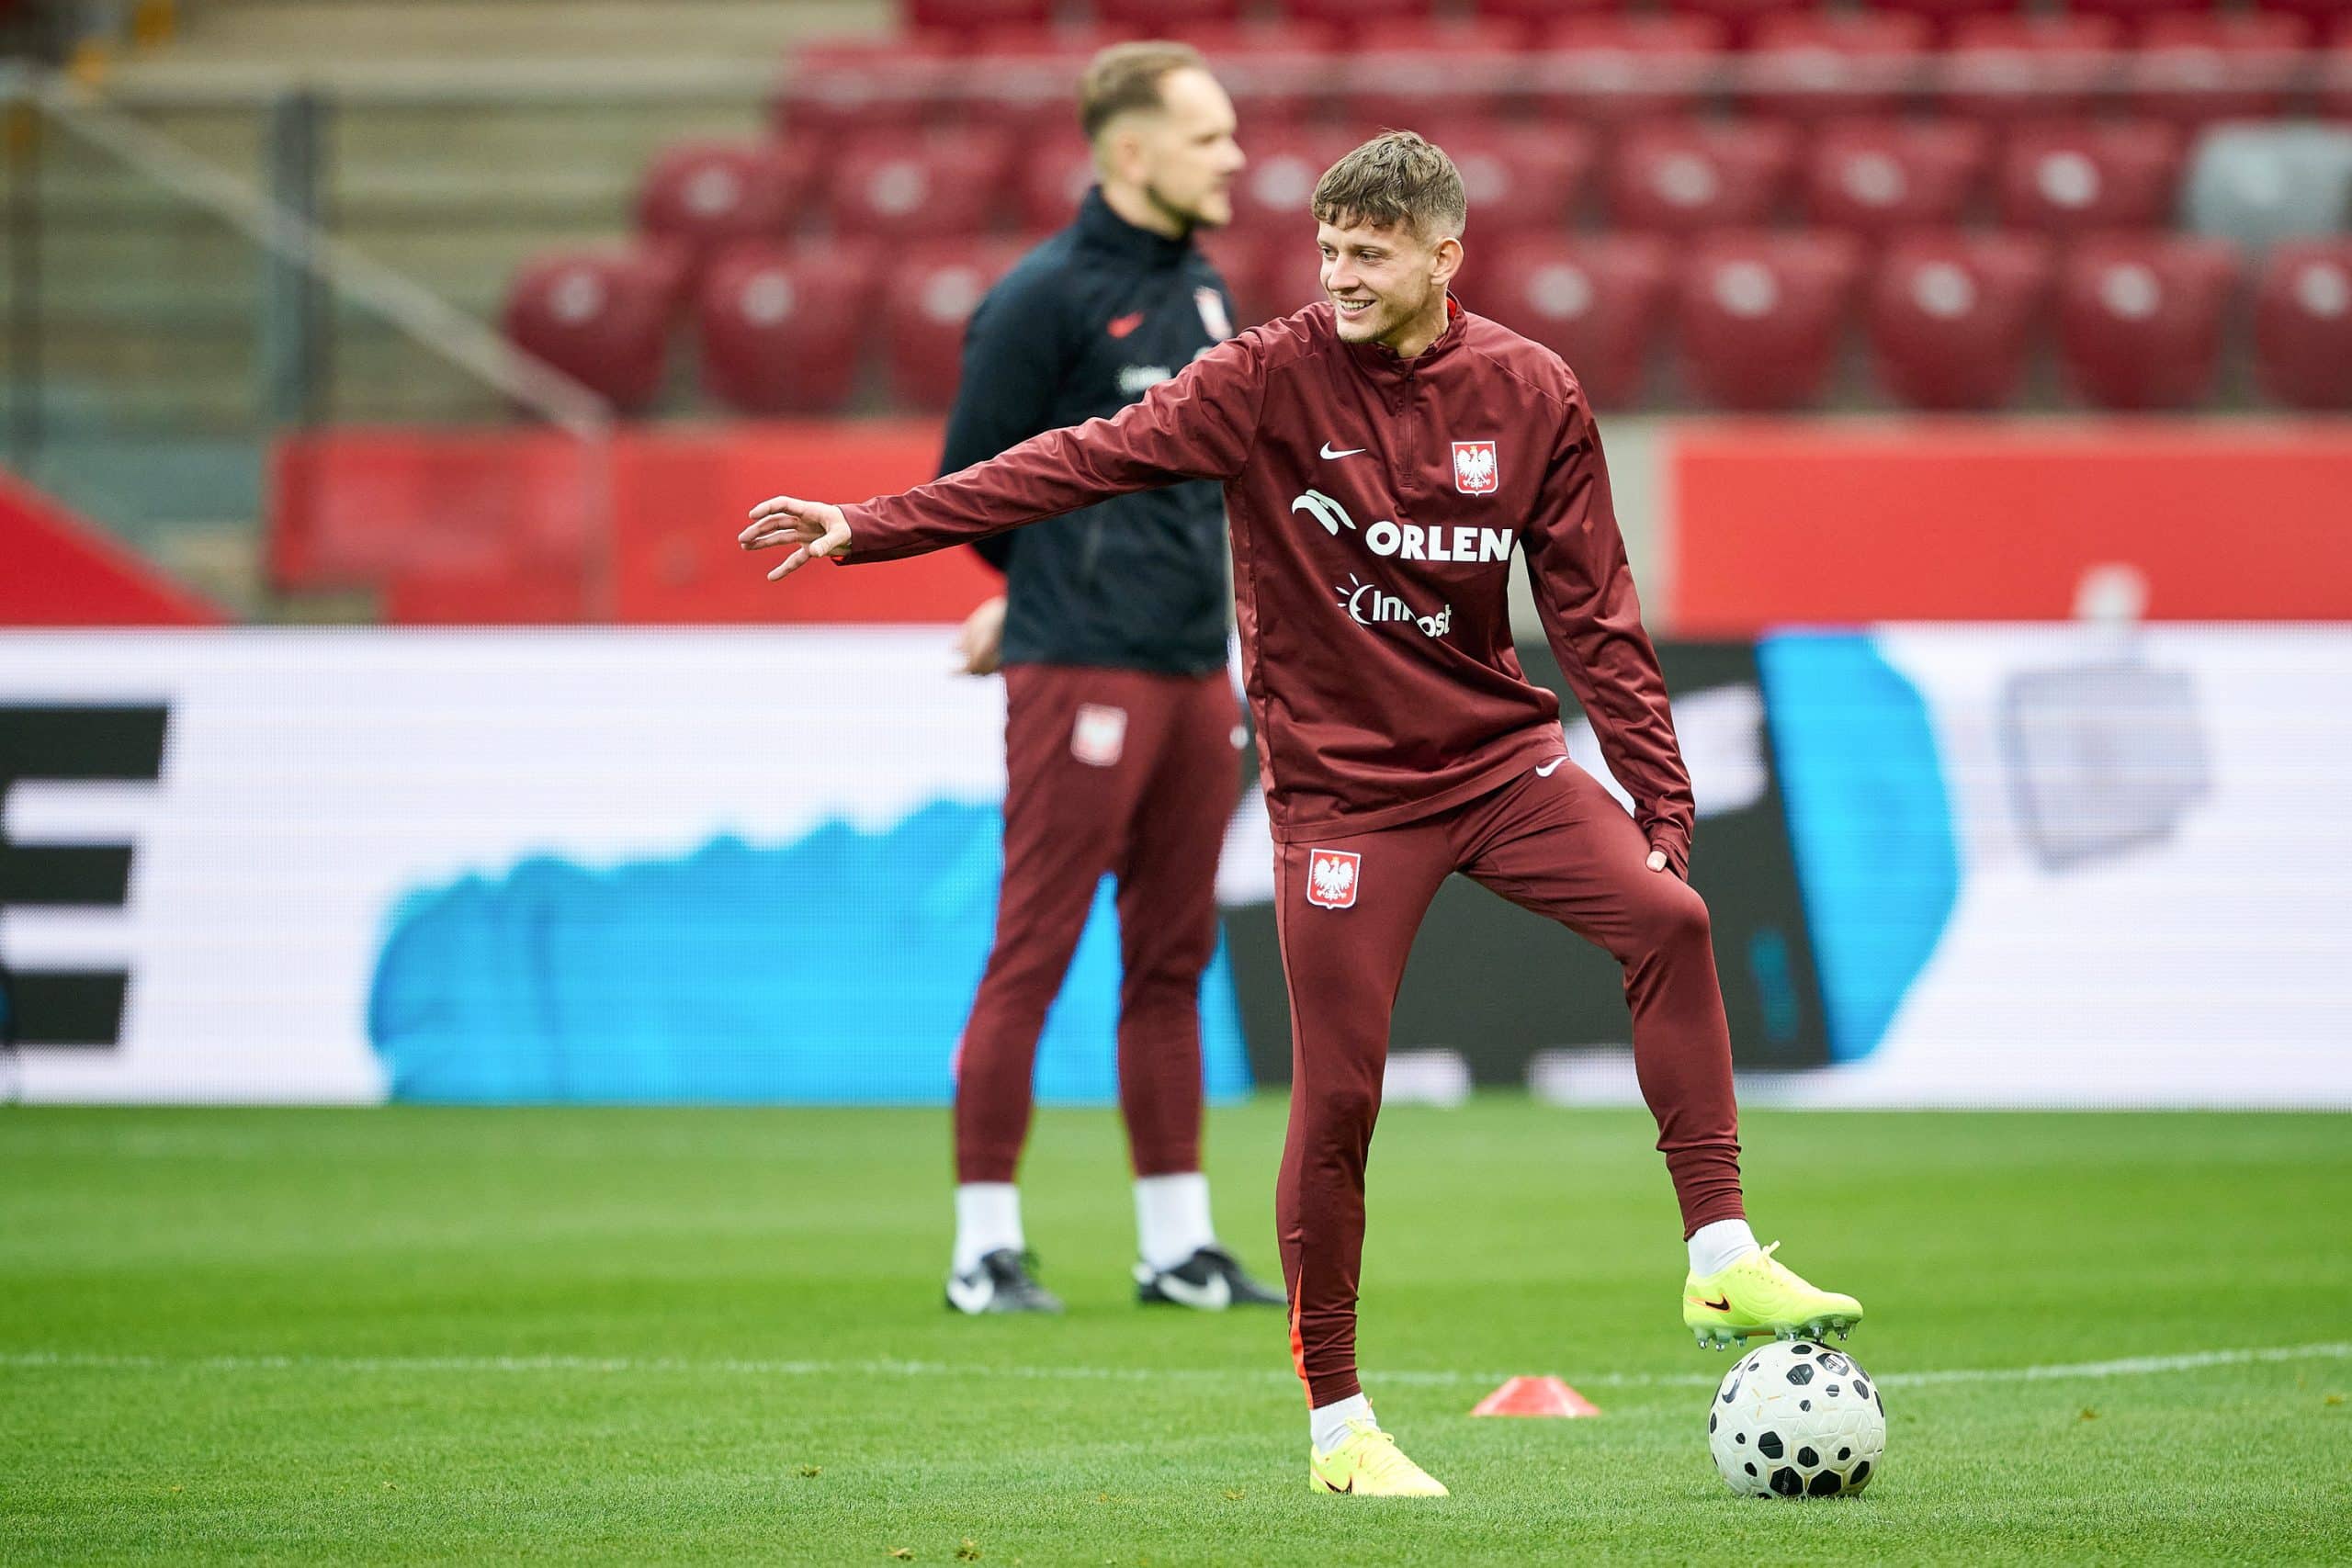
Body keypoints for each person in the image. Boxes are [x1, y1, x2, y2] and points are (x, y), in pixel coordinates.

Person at [741, 131, 1862, 1497]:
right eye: (1329, 251)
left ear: (1445, 257)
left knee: (1669, 920)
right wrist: (874, 524)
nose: (1339, 276)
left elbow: (1597, 616)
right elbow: (1081, 459)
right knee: (1338, 1097)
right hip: (1345, 800)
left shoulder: (1531, 390)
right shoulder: (1265, 377)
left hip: (1498, 765)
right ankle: (1341, 1430)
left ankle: (1720, 1256)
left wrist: (1661, 804)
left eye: (1369, 254)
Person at [932, 40, 1281, 1316]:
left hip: (1195, 674)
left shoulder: (1204, 290)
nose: (1234, 157)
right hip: (1079, 668)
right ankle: (983, 1250)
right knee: (1034, 948)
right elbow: (973, 481)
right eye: (1208, 136)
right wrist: (1032, 599)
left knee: (1172, 961)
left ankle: (1176, 1247)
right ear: (1131, 151)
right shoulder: (1040, 299)